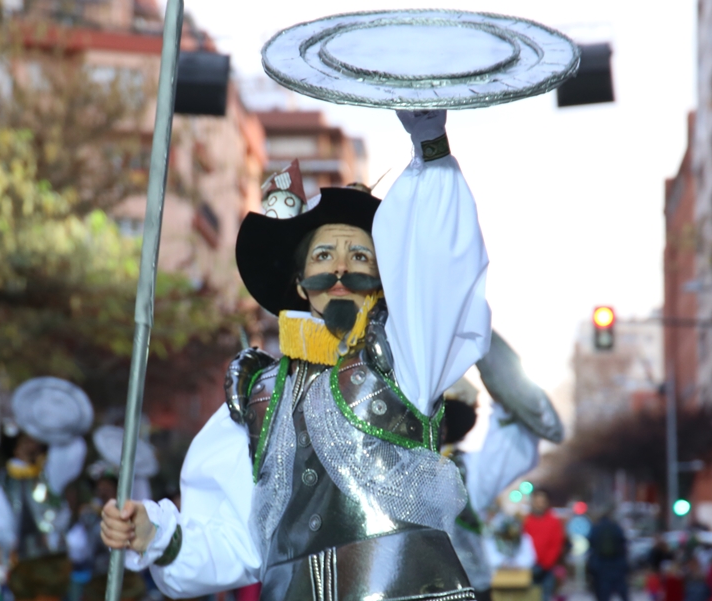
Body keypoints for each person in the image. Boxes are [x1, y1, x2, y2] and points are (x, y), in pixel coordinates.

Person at [101, 109, 491, 601]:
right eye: (324, 256)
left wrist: (431, 147)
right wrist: (154, 536)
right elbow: (239, 542)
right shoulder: (257, 396)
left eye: (361, 256)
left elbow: (446, 274)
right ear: (301, 284)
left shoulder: (408, 356)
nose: (342, 270)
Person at [441, 330, 565, 601]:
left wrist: (507, 387)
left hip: (465, 589)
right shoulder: (385, 458)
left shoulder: (467, 469)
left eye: (441, 418)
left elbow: (512, 445)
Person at [0, 377, 91, 601]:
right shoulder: (5, 482)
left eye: (33, 441)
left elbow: (73, 453)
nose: (29, 446)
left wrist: (58, 424)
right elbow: (1, 519)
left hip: (53, 558)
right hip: (23, 561)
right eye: (23, 442)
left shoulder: (49, 474)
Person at [67, 425, 157, 601]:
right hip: (98, 586)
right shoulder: (90, 514)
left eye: (107, 486)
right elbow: (77, 549)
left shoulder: (134, 514)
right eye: (99, 488)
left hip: (129, 586)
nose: (102, 491)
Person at [523, 489, 565, 601]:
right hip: (529, 567)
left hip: (547, 569)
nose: (539, 504)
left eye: (542, 501)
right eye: (537, 501)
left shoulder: (553, 521)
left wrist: (546, 563)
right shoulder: (526, 520)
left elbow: (556, 544)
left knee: (545, 596)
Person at [586, 509, 629, 601]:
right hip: (617, 564)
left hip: (601, 566)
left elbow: (590, 543)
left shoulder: (596, 528)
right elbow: (623, 543)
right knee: (622, 592)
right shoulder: (616, 528)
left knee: (603, 594)